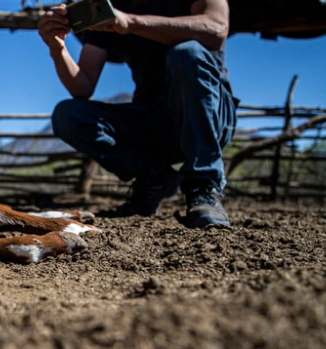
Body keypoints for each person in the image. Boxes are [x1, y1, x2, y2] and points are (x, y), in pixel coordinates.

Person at [38, 0, 237, 227]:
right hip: (151, 119)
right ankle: (155, 177)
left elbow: (216, 28)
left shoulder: (123, 14)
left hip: (208, 114)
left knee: (187, 53)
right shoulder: (107, 6)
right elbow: (82, 85)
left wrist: (131, 22)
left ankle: (205, 187)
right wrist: (57, 48)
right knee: (68, 116)